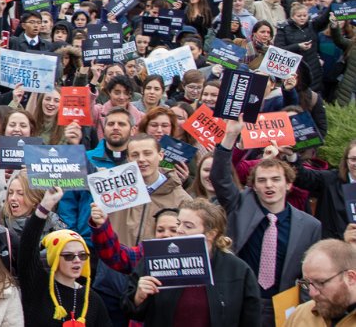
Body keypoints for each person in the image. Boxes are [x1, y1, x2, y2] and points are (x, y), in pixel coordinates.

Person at [213, 120, 321, 324]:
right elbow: (220, 178)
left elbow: (309, 276)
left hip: (282, 307)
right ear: (253, 186)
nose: (269, 185)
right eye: (262, 181)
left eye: (275, 179)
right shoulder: (239, 206)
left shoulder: (310, 226)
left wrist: (307, 313)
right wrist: (230, 137)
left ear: (288, 184)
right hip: (239, 302)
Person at [123, 199, 260, 327]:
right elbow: (129, 310)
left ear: (211, 234)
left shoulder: (238, 271)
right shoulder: (157, 259)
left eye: (188, 226)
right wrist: (138, 297)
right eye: (178, 223)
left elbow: (251, 320)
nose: (179, 230)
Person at [20, 187, 111, 327]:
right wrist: (44, 207)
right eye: (68, 256)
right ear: (54, 257)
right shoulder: (37, 285)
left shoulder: (93, 299)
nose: (77, 260)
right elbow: (27, 247)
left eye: (83, 255)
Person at [287, 239, 356, 326]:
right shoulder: (300, 315)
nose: (312, 293)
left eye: (320, 283)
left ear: (350, 278)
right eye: (307, 283)